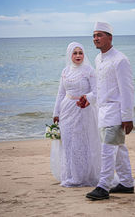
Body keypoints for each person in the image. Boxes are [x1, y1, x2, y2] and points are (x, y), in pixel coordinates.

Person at [84, 21, 134, 200]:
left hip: (116, 113)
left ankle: (103, 186)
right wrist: (89, 98)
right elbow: (100, 87)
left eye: (100, 35)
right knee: (119, 150)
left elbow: (127, 90)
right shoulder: (99, 59)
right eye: (94, 35)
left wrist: (128, 117)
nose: (96, 38)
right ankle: (127, 183)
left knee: (107, 150)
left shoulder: (120, 60)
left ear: (110, 38)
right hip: (102, 112)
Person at [51, 42, 101, 187]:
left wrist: (87, 98)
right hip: (66, 110)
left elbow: (97, 91)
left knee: (80, 143)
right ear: (69, 55)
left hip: (83, 110)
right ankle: (71, 175)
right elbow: (61, 93)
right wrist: (56, 112)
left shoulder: (89, 71)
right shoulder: (65, 71)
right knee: (68, 143)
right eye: (75, 53)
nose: (78, 55)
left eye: (80, 52)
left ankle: (82, 176)